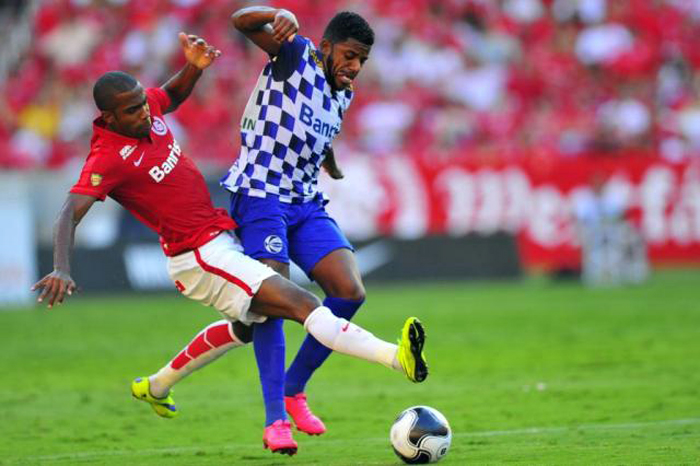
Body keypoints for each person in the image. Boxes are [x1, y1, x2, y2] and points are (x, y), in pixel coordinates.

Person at [30, 32, 428, 457]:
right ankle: (395, 357)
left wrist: (195, 68)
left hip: (219, 238)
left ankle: (157, 386)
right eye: (132, 111)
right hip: (197, 256)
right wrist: (61, 267)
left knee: (247, 327)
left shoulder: (146, 109)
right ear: (108, 118)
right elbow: (69, 211)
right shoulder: (106, 156)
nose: (145, 113)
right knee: (300, 303)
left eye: (143, 105)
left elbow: (169, 96)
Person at [139, 7, 383, 454]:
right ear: (326, 46)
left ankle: (294, 388)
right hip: (260, 194)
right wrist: (279, 13)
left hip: (305, 202)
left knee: (349, 291)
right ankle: (275, 421)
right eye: (349, 55)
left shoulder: (343, 91)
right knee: (271, 297)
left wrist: (329, 161)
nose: (355, 67)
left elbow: (316, 131)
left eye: (362, 60)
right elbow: (242, 21)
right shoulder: (295, 55)